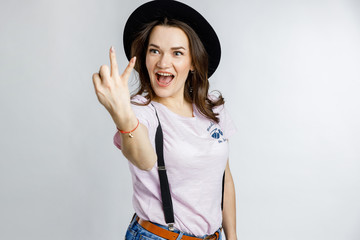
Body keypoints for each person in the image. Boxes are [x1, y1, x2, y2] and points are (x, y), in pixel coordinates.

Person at [92, 1, 237, 239]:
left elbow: (224, 177)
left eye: (177, 53)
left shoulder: (212, 107)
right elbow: (144, 159)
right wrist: (122, 116)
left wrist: (232, 237)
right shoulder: (140, 111)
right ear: (144, 57)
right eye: (154, 50)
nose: (162, 62)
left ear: (192, 63)